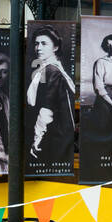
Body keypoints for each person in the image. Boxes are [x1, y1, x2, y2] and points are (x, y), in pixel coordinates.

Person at [26, 25, 76, 172]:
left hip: (52, 135)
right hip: (56, 134)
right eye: (36, 43)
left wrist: (38, 139)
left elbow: (46, 109)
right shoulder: (51, 69)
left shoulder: (51, 70)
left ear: (55, 47)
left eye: (44, 43)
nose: (38, 48)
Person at [82, 33, 112, 172]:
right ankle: (100, 166)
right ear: (105, 47)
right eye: (108, 44)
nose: (111, 47)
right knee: (104, 129)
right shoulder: (100, 62)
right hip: (104, 100)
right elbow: (99, 87)